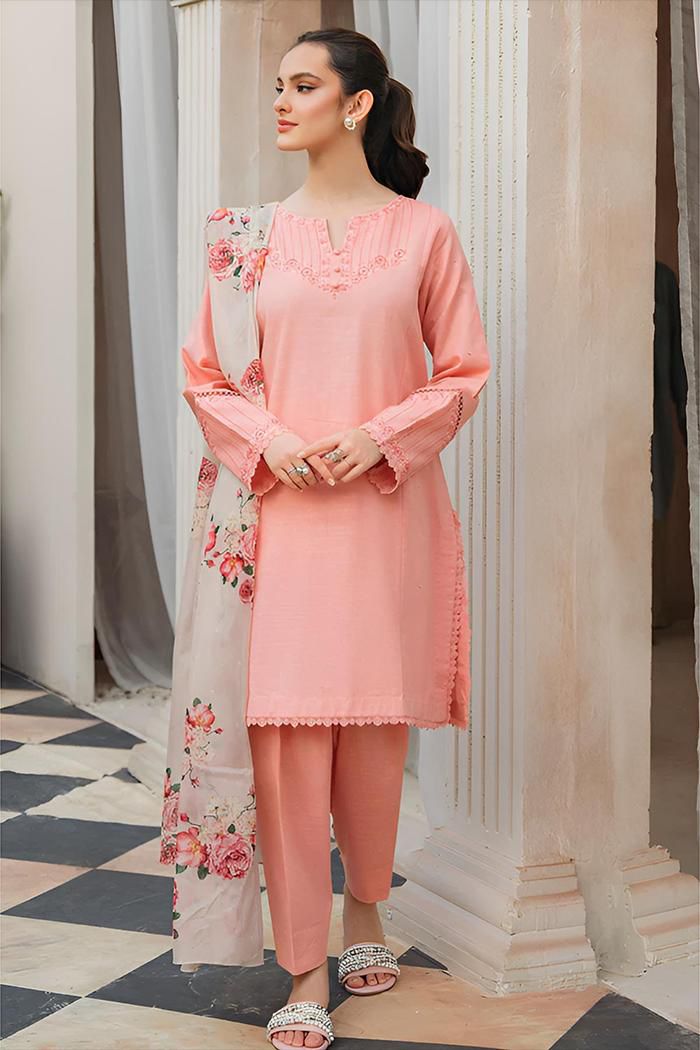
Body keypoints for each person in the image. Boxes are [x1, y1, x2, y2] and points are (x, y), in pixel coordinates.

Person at [172, 26, 490, 1050]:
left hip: (385, 515)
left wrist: (375, 437)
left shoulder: (424, 234)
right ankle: (305, 963)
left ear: (356, 105)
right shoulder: (244, 238)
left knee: (373, 735)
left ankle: (367, 912)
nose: (281, 100)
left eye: (303, 85)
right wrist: (275, 442)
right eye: (278, 84)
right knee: (286, 746)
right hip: (277, 520)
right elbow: (205, 379)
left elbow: (463, 373)